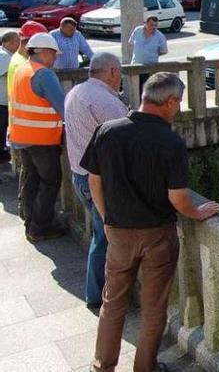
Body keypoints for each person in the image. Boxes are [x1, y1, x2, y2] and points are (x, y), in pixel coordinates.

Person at [82, 72, 219, 372]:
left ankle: (102, 366)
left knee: (112, 303)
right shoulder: (169, 142)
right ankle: (145, 368)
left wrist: (107, 217)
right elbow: (178, 198)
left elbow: (94, 181)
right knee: (154, 309)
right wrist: (197, 213)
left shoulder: (107, 130)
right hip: (157, 234)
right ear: (169, 101)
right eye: (178, 103)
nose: (178, 108)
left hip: (118, 232)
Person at [64, 53, 128, 310]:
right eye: (120, 72)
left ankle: (98, 290)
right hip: (99, 180)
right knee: (104, 236)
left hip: (79, 174)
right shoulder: (104, 101)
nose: (120, 77)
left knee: (100, 234)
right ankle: (98, 294)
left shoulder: (77, 91)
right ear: (112, 71)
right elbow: (126, 140)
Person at [9, 33, 67, 242]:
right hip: (42, 139)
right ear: (44, 52)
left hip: (22, 137)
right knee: (50, 182)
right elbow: (63, 107)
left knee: (31, 179)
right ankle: (40, 227)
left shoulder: (22, 69)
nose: (55, 59)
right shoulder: (44, 74)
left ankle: (30, 221)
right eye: (54, 54)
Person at [8, 21, 47, 221]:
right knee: (37, 177)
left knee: (29, 174)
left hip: (21, 128)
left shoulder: (17, 61)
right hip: (31, 131)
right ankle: (32, 216)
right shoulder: (23, 65)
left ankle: (27, 213)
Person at [0, 31, 21, 162]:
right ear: (12, 42)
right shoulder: (4, 56)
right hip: (1, 101)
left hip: (3, 100)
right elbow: (9, 73)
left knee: (2, 130)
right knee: (1, 129)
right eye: (18, 42)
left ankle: (2, 152)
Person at [130, 16, 168, 87]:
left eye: (155, 25)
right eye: (151, 25)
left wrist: (151, 54)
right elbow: (131, 43)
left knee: (148, 89)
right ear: (145, 24)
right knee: (135, 88)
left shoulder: (160, 36)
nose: (153, 27)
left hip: (150, 67)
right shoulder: (137, 31)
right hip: (135, 66)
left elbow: (164, 51)